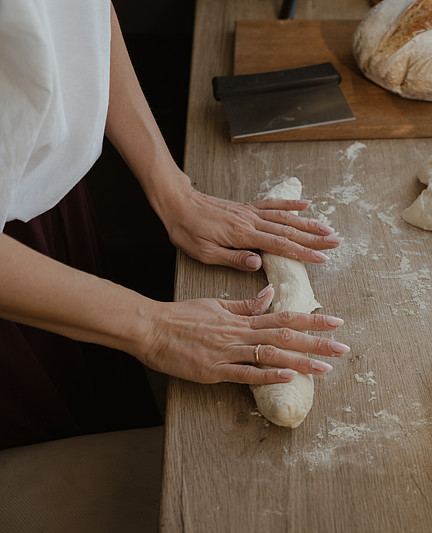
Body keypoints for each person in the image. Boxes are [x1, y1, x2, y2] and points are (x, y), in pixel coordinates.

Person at [0, 1, 349, 449]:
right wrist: (154, 329)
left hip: (44, 203)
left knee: (98, 394)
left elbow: (80, 17)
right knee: (58, 436)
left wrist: (175, 192)